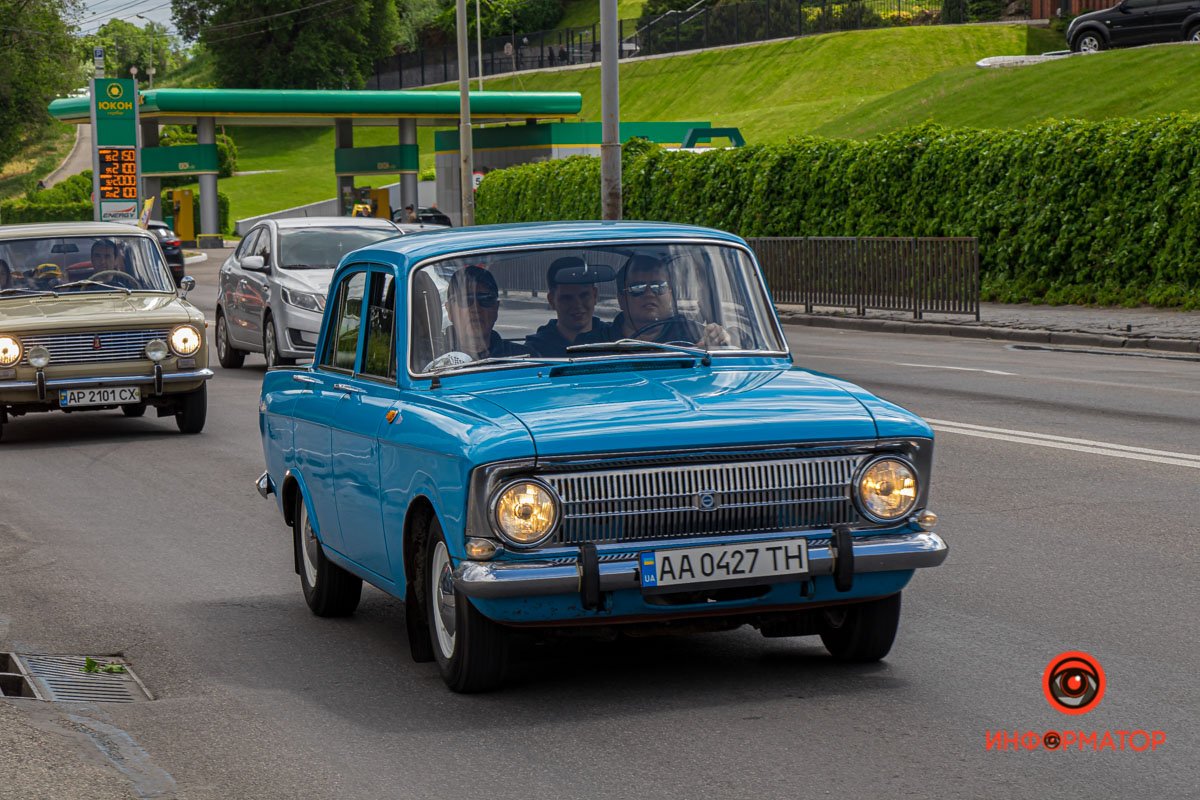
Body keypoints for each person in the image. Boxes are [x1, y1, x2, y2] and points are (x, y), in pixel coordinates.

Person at [612, 254, 730, 347]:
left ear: (669, 294)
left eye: (659, 286)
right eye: (637, 288)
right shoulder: (600, 341)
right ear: (621, 298)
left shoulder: (691, 333)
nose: (649, 294)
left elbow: (739, 340)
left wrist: (719, 336)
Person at [525, 256, 615, 357]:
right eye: (567, 298)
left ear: (594, 295)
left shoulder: (615, 339)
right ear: (551, 300)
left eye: (584, 295)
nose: (577, 304)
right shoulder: (536, 350)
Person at [445, 265, 531, 360]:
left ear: (496, 308)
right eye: (466, 300)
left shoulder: (523, 359)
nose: (476, 309)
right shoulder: (432, 359)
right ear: (450, 310)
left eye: (485, 299)